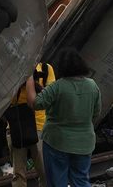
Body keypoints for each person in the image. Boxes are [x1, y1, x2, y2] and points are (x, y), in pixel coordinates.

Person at [24, 49, 101, 187]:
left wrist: (29, 77)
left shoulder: (57, 87)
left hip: (56, 142)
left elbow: (34, 103)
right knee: (81, 180)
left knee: (57, 181)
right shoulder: (92, 86)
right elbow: (96, 113)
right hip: (84, 143)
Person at [8, 62, 54, 187]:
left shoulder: (45, 69)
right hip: (17, 125)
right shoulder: (10, 70)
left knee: (45, 171)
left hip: (40, 125)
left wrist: (33, 83)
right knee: (18, 174)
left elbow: (51, 96)